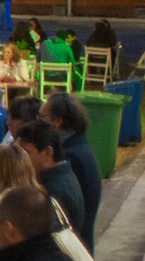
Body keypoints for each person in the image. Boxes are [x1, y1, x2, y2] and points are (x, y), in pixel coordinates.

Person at [40, 93, 102, 250]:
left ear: (58, 121)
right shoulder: (79, 147)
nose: (39, 123)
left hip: (75, 245)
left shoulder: (70, 155)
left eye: (43, 117)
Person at [12, 122, 85, 248]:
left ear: (47, 153)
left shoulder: (53, 192)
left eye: (26, 153)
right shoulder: (61, 177)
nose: (19, 160)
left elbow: (44, 243)